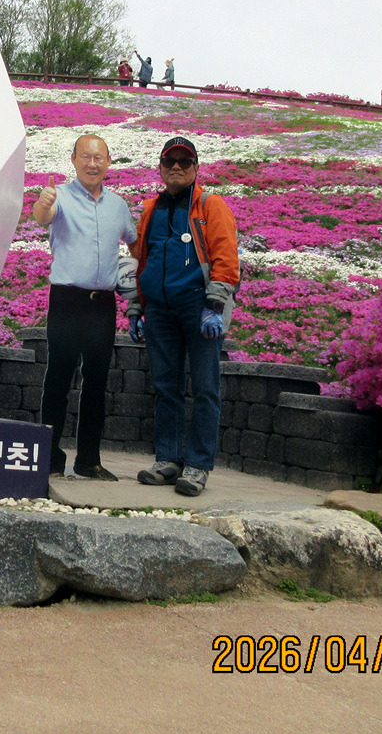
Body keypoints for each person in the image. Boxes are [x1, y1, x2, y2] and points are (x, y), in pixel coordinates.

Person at [127, 136, 240, 497]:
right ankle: (168, 458)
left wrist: (215, 306)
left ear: (196, 168)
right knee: (166, 386)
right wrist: (137, 307)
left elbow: (226, 257)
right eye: (169, 161)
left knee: (206, 387)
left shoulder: (211, 205)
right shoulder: (151, 208)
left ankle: (198, 465)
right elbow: (141, 261)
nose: (176, 166)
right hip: (159, 309)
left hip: (198, 306)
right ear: (160, 167)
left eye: (184, 161)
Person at [32, 134, 137, 480]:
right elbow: (43, 216)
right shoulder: (59, 195)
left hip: (102, 304)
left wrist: (138, 285)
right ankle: (49, 458)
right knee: (58, 378)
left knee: (96, 382)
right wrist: (43, 203)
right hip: (67, 299)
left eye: (98, 157)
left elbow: (135, 244)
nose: (92, 163)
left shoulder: (118, 206)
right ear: (74, 159)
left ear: (109, 162)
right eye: (86, 157)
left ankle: (89, 460)